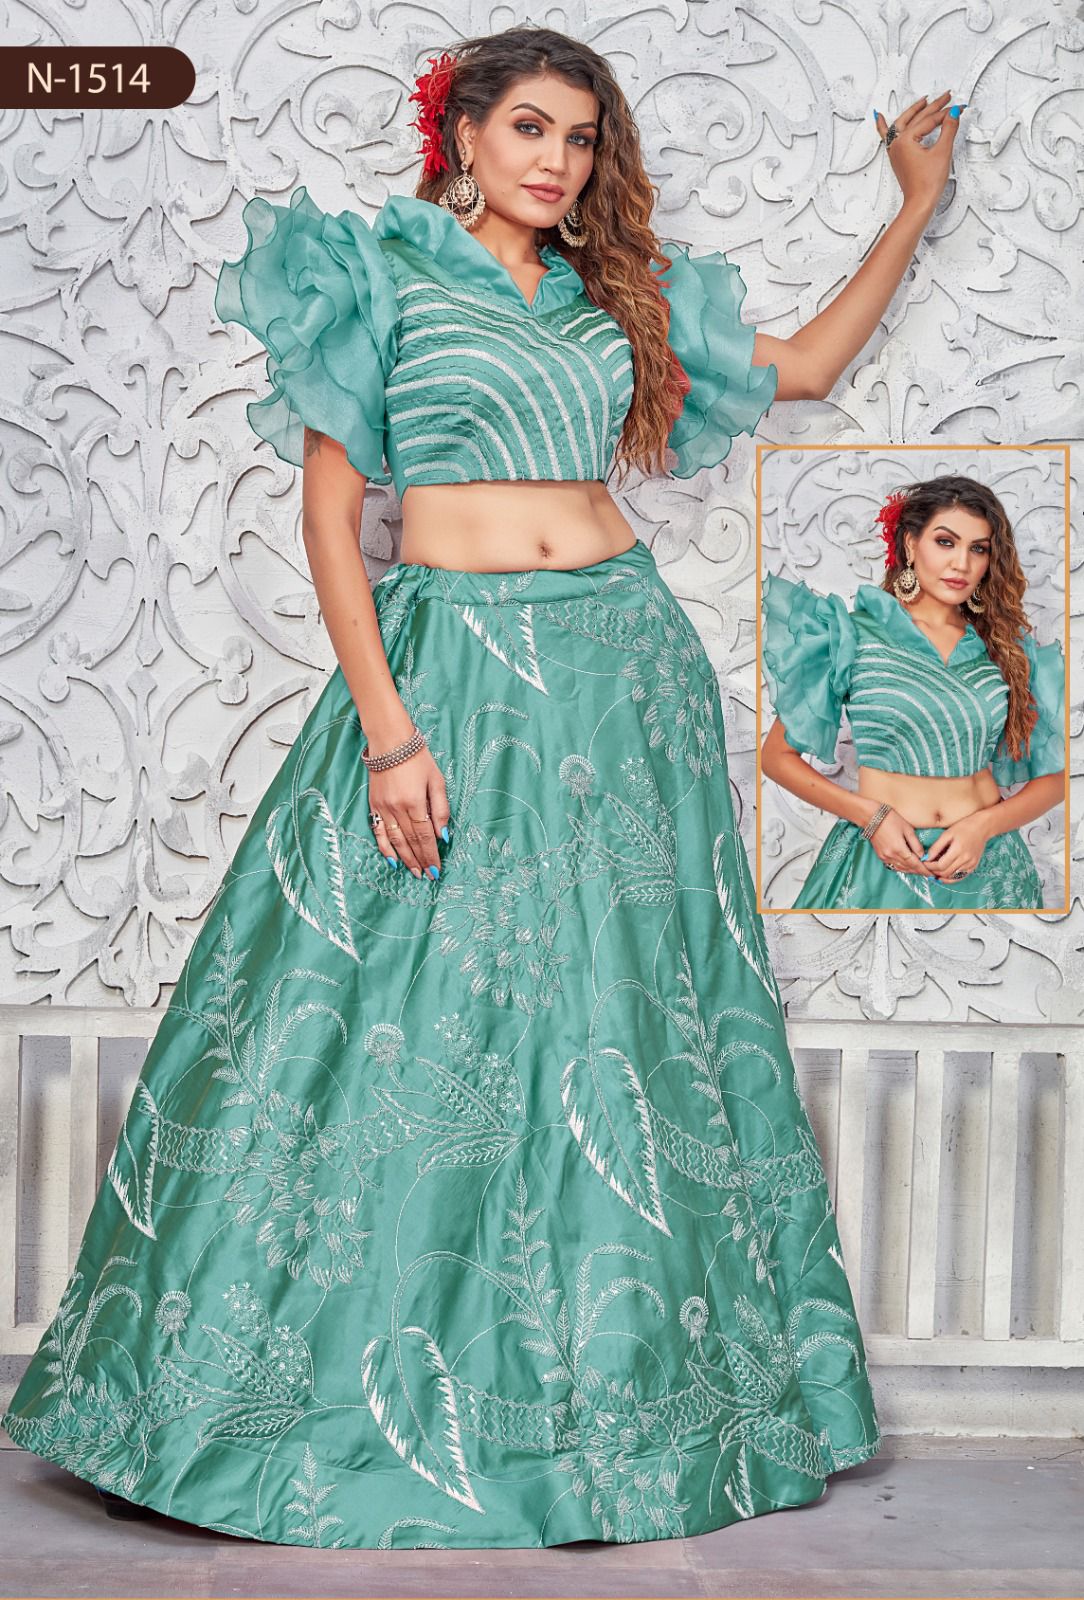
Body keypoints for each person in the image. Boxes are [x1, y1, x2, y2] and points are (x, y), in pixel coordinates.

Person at [4, 24, 963, 1549]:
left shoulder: (616, 296)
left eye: (580, 138)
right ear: (461, 134)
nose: (557, 160)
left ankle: (617, 1407)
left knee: (619, 1028)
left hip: (622, 677)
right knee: (397, 1020)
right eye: (529, 127)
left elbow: (808, 367)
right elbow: (334, 521)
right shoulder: (374, 274)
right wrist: (390, 734)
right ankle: (335, 1407)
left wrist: (911, 206)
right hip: (449, 669)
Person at [761, 476, 1066, 911]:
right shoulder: (850, 635)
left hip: (989, 865)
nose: (961, 563)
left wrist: (983, 828)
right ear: (909, 544)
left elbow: (1054, 780)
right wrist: (871, 817)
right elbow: (776, 757)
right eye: (946, 542)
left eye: (978, 549)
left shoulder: (1006, 649)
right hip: (882, 858)